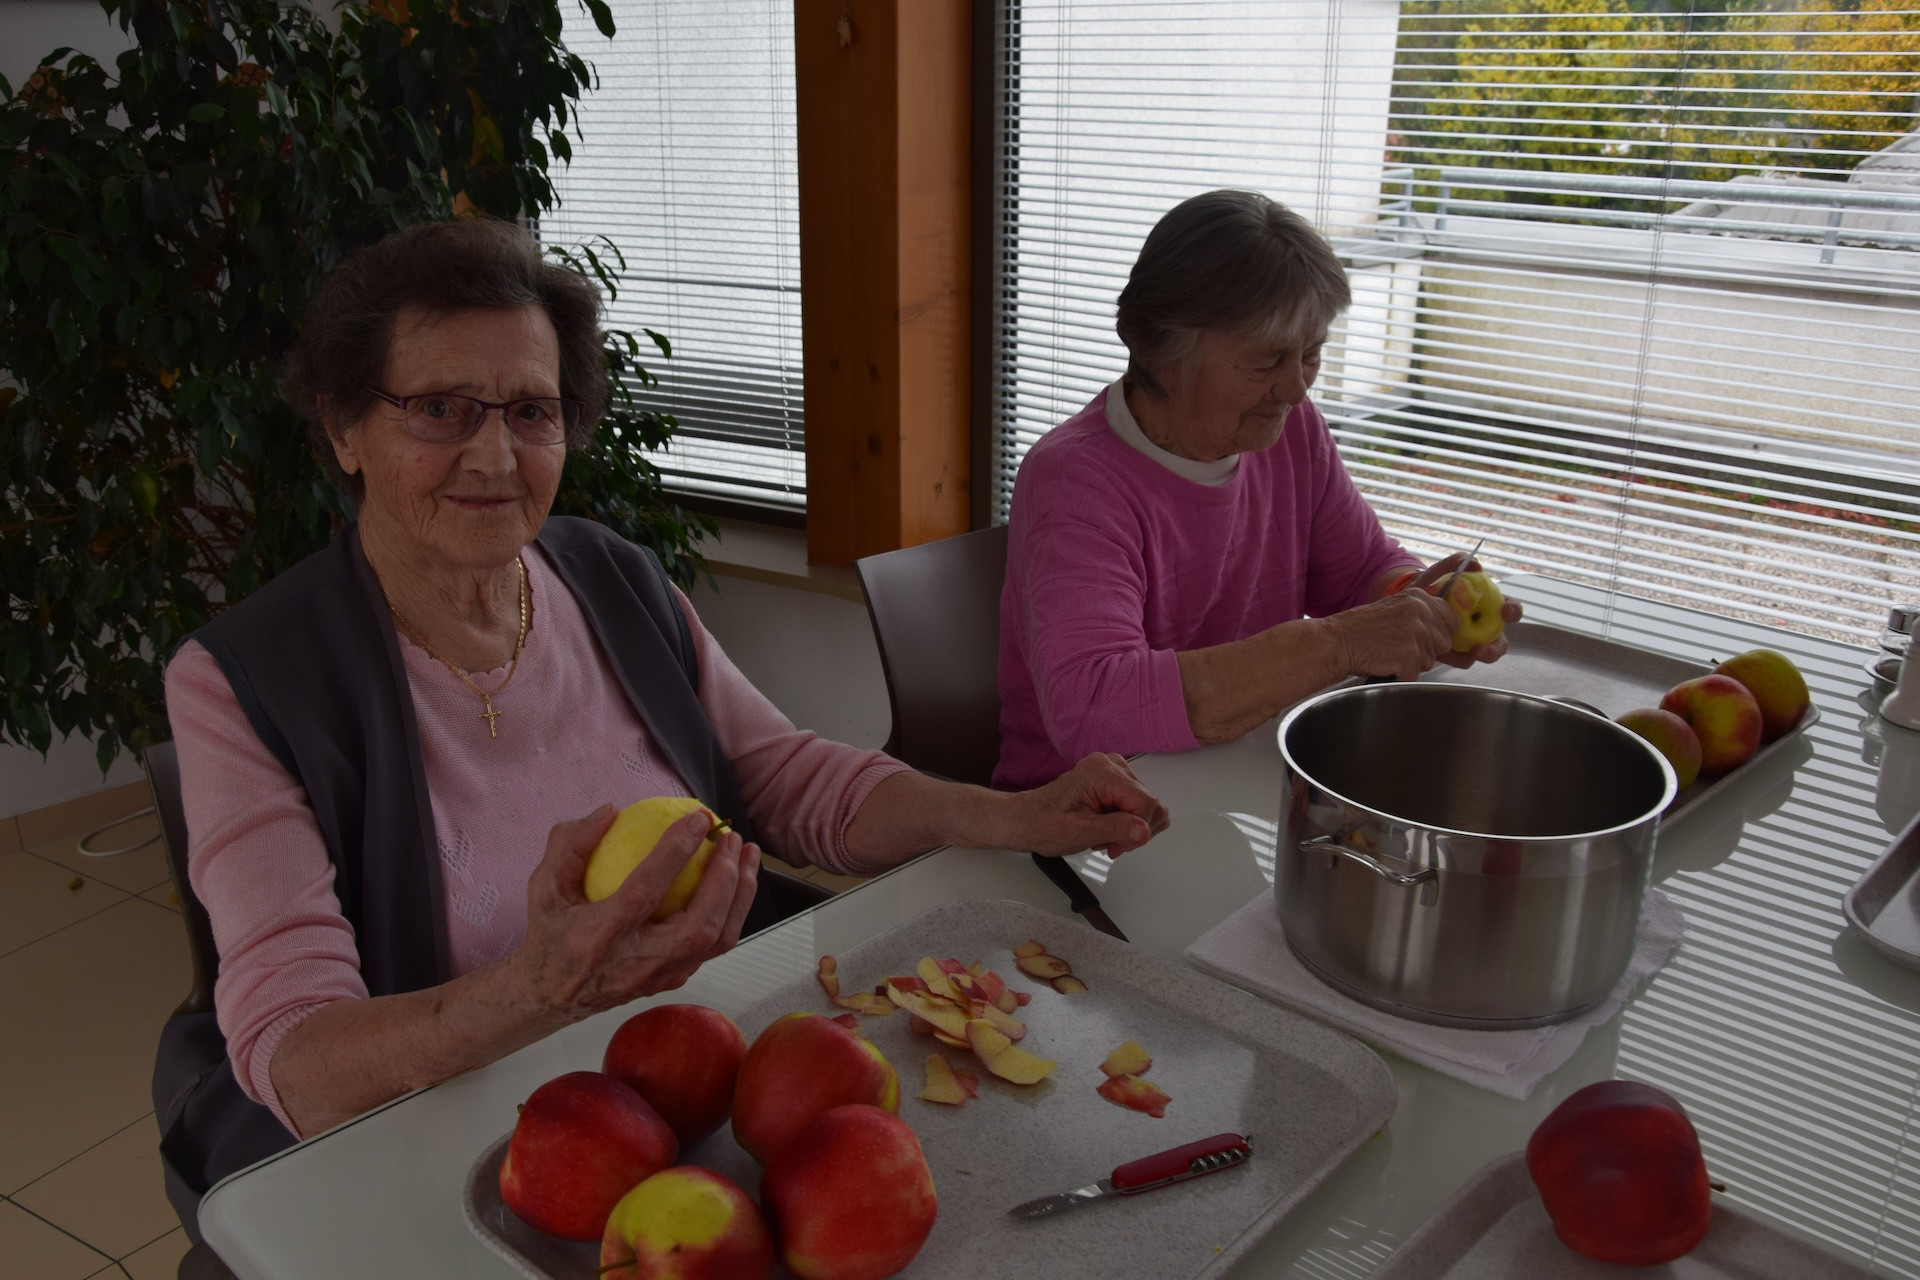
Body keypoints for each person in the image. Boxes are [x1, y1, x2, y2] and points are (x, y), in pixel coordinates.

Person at [156, 218, 1168, 1236]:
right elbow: (298, 1057)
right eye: (439, 409)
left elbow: (787, 779)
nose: (495, 454)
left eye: (533, 411)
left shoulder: (612, 577)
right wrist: (538, 989)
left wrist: (1012, 814)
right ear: (342, 426)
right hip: (451, 1145)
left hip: (682, 1086)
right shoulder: (244, 681)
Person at [995, 190, 1521, 790]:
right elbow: (1095, 709)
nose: (1296, 389)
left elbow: (1358, 571)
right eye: (1266, 362)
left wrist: (1416, 604)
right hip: (1087, 815)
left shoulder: (1290, 430)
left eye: (1312, 354)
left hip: (1228, 779)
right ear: (1163, 349)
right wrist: (1337, 645)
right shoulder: (1076, 483)